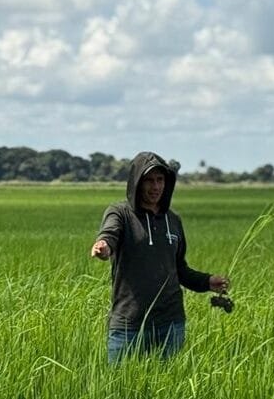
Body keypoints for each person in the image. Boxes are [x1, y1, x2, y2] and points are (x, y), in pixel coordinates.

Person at [90, 151, 230, 363]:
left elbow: (179, 269)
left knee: (169, 388)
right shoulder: (121, 213)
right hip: (129, 325)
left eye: (160, 180)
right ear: (137, 182)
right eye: (149, 180)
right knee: (119, 391)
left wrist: (207, 282)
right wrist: (103, 246)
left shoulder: (172, 220)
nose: (155, 187)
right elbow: (109, 234)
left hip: (170, 324)